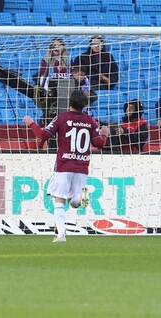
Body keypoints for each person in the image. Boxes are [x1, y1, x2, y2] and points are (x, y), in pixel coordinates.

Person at [23, 90, 109, 243]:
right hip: (82, 167)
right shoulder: (90, 121)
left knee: (59, 200)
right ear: (85, 105)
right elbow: (99, 144)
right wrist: (104, 134)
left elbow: (43, 136)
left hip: (63, 166)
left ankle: (61, 235)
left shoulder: (62, 118)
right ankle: (81, 197)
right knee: (77, 202)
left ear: (70, 102)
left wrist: (31, 123)